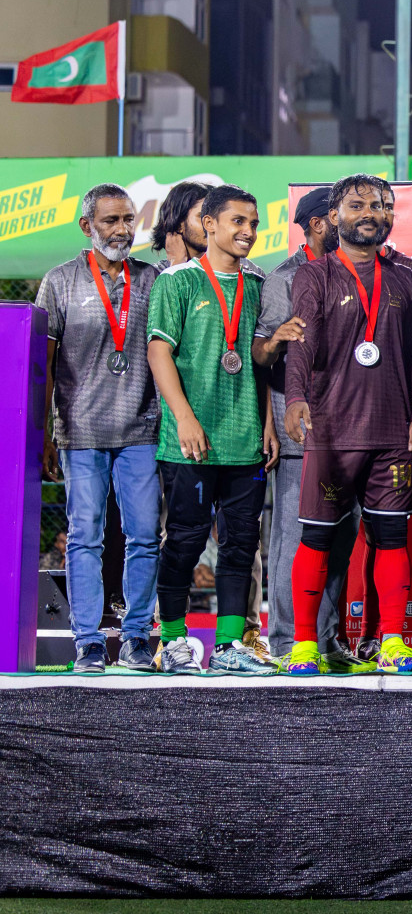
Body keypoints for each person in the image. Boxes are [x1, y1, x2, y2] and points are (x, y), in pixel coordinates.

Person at [282, 175, 412, 676]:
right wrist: (297, 397)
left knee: (391, 538)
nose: (371, 212)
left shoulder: (408, 275)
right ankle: (304, 646)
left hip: (392, 431)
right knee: (318, 538)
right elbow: (301, 341)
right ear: (336, 214)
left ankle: (391, 644)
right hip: (331, 428)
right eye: (358, 204)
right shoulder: (316, 274)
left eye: (382, 205)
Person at [145, 184, 279, 674]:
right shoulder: (177, 282)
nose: (248, 232)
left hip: (245, 438)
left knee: (242, 544)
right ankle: (175, 639)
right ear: (210, 224)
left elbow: (264, 364)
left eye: (254, 223)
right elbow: (159, 351)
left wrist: (268, 423)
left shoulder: (260, 284)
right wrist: (183, 416)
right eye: (237, 222)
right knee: (183, 539)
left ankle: (228, 646)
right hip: (191, 441)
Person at [38, 184, 161, 673]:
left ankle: (136, 638)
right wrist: (44, 431)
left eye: (129, 220)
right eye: (111, 221)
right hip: (81, 432)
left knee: (145, 537)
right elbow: (42, 367)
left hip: (142, 430)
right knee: (85, 537)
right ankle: (87, 641)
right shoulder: (60, 281)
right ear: (87, 227)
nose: (122, 230)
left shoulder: (153, 280)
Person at [252, 187, 373, 673]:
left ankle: (326, 640)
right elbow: (261, 353)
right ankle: (286, 642)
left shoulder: (361, 272)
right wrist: (274, 422)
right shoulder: (286, 278)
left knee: (340, 544)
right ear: (319, 224)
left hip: (353, 427)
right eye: (339, 213)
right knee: (294, 540)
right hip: (302, 428)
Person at [149, 181, 210, 271]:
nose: (211, 225)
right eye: (202, 217)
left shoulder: (232, 269)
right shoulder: (152, 275)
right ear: (178, 225)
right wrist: (177, 265)